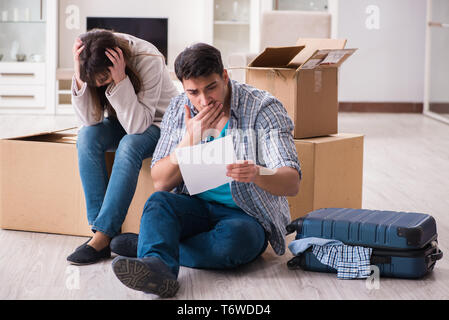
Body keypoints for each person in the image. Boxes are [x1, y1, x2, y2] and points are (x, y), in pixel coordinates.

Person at [110, 43, 301, 298]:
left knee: (235, 243)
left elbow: (291, 183)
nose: (204, 100)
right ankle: (158, 260)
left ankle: (155, 248)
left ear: (224, 76)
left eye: (211, 87)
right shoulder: (178, 109)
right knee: (158, 203)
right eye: (193, 92)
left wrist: (257, 173)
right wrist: (190, 140)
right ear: (183, 88)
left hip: (244, 216)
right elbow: (161, 182)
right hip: (195, 208)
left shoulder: (263, 108)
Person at [66, 29, 179, 265]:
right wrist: (79, 75)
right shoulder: (91, 64)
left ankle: (102, 236)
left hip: (159, 124)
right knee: (86, 136)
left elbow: (139, 126)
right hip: (124, 120)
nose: (98, 86)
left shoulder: (149, 58)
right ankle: (100, 233)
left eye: (102, 80)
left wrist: (120, 80)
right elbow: (90, 120)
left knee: (129, 144)